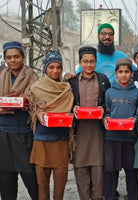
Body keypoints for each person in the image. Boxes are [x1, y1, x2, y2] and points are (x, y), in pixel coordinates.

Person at [29, 51, 74, 200]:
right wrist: (38, 113)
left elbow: (71, 107)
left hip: (61, 139)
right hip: (42, 139)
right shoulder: (36, 87)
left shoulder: (67, 88)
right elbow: (30, 109)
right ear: (45, 69)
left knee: (60, 183)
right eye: (51, 67)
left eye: (58, 67)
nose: (55, 71)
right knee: (42, 183)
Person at [68, 46, 110, 200]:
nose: (89, 65)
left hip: (97, 132)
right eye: (85, 61)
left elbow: (109, 103)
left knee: (98, 170)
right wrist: (73, 108)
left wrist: (103, 109)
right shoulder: (72, 81)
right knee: (80, 169)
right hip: (79, 132)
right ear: (79, 62)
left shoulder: (103, 80)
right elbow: (66, 104)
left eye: (92, 61)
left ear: (96, 62)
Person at [0, 41, 39, 200]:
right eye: (9, 57)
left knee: (31, 176)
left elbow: (40, 101)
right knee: (6, 177)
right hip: (3, 133)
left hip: (25, 132)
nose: (13, 60)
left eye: (16, 56)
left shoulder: (33, 77)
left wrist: (26, 101)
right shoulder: (0, 77)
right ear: (5, 59)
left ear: (23, 57)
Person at [103, 58, 138, 200]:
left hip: (130, 137)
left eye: (127, 72)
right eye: (120, 72)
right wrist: (105, 118)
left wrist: (135, 119)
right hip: (112, 137)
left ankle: (133, 196)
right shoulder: (109, 92)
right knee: (110, 170)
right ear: (115, 73)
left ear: (131, 73)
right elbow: (107, 111)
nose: (124, 75)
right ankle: (110, 196)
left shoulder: (137, 93)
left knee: (132, 171)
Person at [65, 23, 136, 84]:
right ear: (98, 36)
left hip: (116, 98)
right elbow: (78, 77)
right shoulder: (90, 58)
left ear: (113, 37)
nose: (107, 37)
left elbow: (136, 74)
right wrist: (65, 76)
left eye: (110, 34)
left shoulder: (122, 57)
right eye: (103, 34)